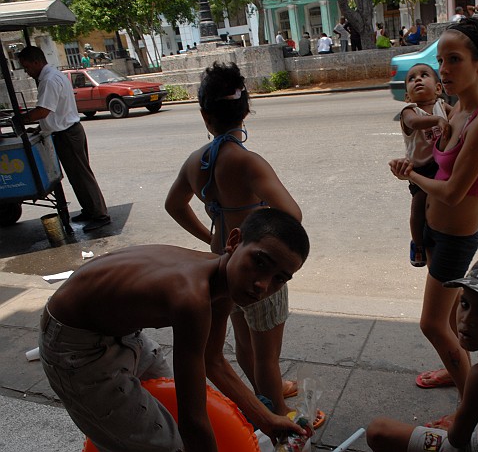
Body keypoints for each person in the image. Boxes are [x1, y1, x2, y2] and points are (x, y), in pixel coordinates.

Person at [39, 208, 311, 452]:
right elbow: (193, 420)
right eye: (260, 262)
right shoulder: (191, 298)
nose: (263, 285)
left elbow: (212, 360)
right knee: (167, 445)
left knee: (168, 415)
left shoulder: (225, 279)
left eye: (279, 279)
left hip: (121, 331)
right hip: (74, 345)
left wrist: (266, 419)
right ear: (234, 241)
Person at [166, 62, 304, 420]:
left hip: (224, 264)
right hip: (256, 267)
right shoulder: (247, 162)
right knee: (268, 355)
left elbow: (173, 205)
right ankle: (279, 412)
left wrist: (210, 236)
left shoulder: (196, 162)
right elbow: (292, 215)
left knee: (244, 342)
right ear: (245, 111)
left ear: (204, 114)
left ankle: (262, 394)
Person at [388, 17, 478, 425]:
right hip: (436, 232)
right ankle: (459, 370)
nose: (444, 70)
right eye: (441, 60)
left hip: (456, 239)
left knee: (433, 324)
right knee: (456, 324)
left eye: (454, 59)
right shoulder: (455, 109)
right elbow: (435, 160)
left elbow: (454, 191)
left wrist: (410, 175)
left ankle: (466, 408)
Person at [367, 257, 478, 452]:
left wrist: (451, 427)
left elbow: (457, 439)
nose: (467, 320)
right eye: (465, 304)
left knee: (378, 431)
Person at [17, 46, 110, 232]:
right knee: (76, 176)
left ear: (37, 62)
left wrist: (22, 119)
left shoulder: (49, 80)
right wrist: (41, 127)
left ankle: (100, 215)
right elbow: (53, 112)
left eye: (27, 67)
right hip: (67, 131)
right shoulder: (52, 76)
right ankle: (90, 210)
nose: (27, 72)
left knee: (82, 176)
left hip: (67, 134)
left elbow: (43, 111)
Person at [398, 63, 452, 267]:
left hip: (443, 163)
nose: (417, 80)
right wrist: (437, 120)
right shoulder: (409, 111)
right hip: (421, 168)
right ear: (407, 96)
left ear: (438, 88)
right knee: (419, 204)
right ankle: (418, 243)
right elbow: (414, 123)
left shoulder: (441, 105)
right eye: (411, 79)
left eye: (423, 75)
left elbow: (458, 116)